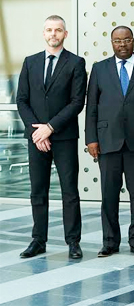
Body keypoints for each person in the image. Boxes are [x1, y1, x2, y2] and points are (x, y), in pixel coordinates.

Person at [16, 15, 87, 259]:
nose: (53, 34)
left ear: (65, 34)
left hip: (64, 136)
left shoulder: (76, 63)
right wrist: (38, 131)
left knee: (69, 191)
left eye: (58, 30)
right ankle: (38, 240)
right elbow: (21, 100)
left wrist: (51, 127)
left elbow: (77, 102)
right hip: (37, 138)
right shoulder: (30, 62)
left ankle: (73, 242)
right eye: (49, 30)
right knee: (38, 190)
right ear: (43, 33)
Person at [85, 26, 134, 257]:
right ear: (111, 43)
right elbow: (92, 108)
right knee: (108, 195)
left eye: (126, 40)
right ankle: (110, 242)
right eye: (118, 41)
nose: (122, 44)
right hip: (107, 142)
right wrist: (91, 140)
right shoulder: (99, 69)